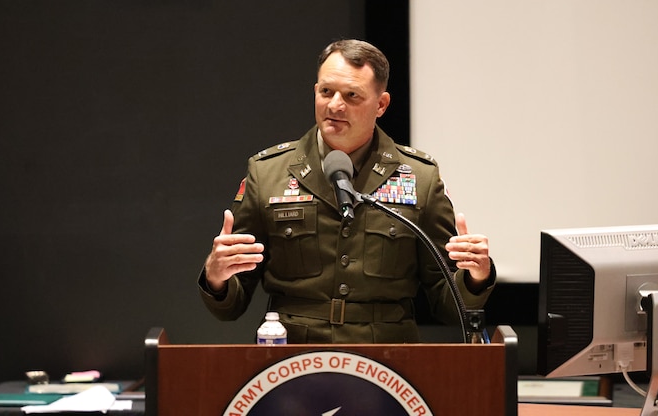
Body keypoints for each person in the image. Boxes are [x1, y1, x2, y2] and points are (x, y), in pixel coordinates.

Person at [198, 39, 495, 343]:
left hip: (387, 357)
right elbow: (231, 304)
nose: (335, 105)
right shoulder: (268, 172)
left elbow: (449, 305)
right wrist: (217, 278)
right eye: (326, 91)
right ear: (315, 92)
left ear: (381, 105)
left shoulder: (419, 177)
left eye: (352, 95)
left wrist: (475, 276)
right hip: (292, 354)